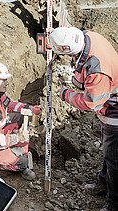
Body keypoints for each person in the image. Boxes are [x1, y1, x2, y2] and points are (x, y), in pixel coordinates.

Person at [48, 26, 118, 211]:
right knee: (108, 153)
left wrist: (66, 94)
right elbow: (81, 67)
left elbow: (91, 104)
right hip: (109, 102)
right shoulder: (88, 36)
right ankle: (103, 183)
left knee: (114, 160)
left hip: (114, 112)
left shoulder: (97, 70)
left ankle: (114, 203)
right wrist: (78, 80)